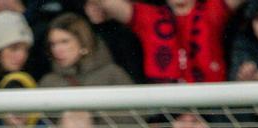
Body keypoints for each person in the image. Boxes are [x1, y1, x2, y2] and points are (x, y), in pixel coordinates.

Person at [98, 0, 246, 83]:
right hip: (166, 105)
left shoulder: (212, 10)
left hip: (212, 102)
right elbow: (107, 3)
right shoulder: (148, 16)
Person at [38, 12, 132, 88]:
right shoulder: (48, 82)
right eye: (53, 44)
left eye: (64, 42)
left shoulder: (113, 75)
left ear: (83, 41)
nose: (56, 49)